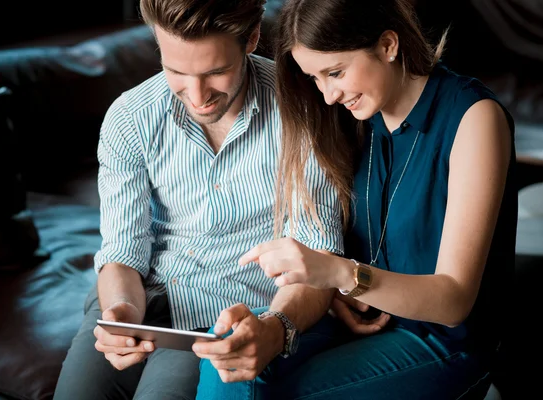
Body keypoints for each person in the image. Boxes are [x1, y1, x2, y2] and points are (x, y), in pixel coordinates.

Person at [197, 0, 518, 399]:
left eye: (335, 73)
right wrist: (334, 293)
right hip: (360, 322)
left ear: (387, 45)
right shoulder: (357, 117)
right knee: (228, 346)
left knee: (271, 389)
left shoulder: (474, 119)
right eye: (315, 78)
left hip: (440, 343)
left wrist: (337, 275)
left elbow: (453, 302)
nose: (328, 95)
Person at [52, 1, 346, 399]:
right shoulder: (130, 117)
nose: (197, 96)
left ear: (252, 38)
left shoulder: (305, 110)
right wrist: (120, 312)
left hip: (226, 315)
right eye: (176, 72)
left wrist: (276, 326)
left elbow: (316, 258)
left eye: (216, 72)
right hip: (141, 296)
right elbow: (122, 251)